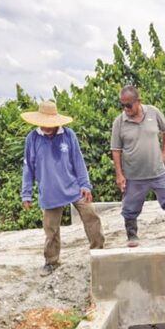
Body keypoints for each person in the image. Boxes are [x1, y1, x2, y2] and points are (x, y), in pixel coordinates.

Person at [21, 100, 105, 276]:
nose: (47, 127)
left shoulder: (68, 135)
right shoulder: (33, 138)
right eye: (44, 123)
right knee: (51, 229)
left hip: (74, 187)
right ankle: (51, 262)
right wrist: (26, 194)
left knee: (91, 216)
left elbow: (78, 161)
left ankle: (98, 253)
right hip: (49, 191)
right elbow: (28, 167)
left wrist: (85, 185)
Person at [110, 85, 165, 247]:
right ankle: (132, 236)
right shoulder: (119, 122)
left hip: (157, 171)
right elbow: (116, 150)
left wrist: (164, 151)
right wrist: (119, 174)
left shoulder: (153, 112)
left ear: (138, 101)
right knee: (129, 208)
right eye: (122, 105)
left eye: (128, 105)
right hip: (133, 175)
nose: (126, 109)